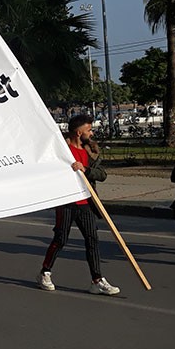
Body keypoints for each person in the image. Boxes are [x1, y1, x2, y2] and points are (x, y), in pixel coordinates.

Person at [39, 114, 121, 295]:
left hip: (86, 202)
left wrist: (86, 170)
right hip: (67, 201)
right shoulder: (62, 151)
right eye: (89, 130)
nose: (91, 133)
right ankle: (45, 272)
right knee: (60, 238)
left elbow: (102, 174)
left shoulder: (89, 152)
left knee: (92, 240)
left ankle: (97, 280)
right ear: (78, 132)